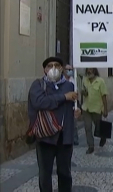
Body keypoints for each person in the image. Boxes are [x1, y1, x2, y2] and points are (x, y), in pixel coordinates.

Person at [28, 57, 79, 192]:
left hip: (64, 137)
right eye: (50, 66)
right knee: (45, 174)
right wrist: (63, 97)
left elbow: (71, 106)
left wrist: (76, 111)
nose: (53, 68)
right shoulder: (37, 85)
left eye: (57, 65)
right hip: (45, 137)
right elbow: (39, 102)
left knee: (65, 173)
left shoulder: (69, 86)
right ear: (45, 69)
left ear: (62, 68)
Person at [81, 68, 108, 154]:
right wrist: (83, 92)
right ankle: (91, 146)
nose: (89, 71)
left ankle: (103, 137)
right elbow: (84, 93)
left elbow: (104, 96)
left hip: (97, 108)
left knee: (98, 127)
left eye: (91, 70)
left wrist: (105, 109)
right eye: (88, 70)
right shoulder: (84, 80)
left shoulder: (100, 81)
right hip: (86, 108)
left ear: (94, 71)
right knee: (87, 127)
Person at [63, 64, 79, 146]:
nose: (69, 71)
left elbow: (77, 94)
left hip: (72, 105)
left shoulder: (74, 80)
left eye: (70, 69)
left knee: (74, 124)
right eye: (67, 69)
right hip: (63, 105)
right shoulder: (61, 81)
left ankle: (75, 139)